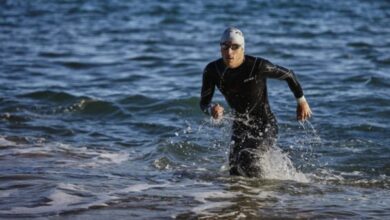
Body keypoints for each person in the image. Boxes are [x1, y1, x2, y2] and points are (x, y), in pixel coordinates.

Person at [200, 27, 312, 177]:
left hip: (265, 124)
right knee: (234, 170)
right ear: (220, 48)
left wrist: (302, 101)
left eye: (235, 47)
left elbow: (288, 75)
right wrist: (211, 110)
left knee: (248, 159)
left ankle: (263, 197)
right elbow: (203, 104)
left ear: (242, 49)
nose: (229, 52)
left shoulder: (257, 66)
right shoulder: (212, 70)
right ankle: (242, 198)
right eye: (225, 46)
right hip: (240, 125)